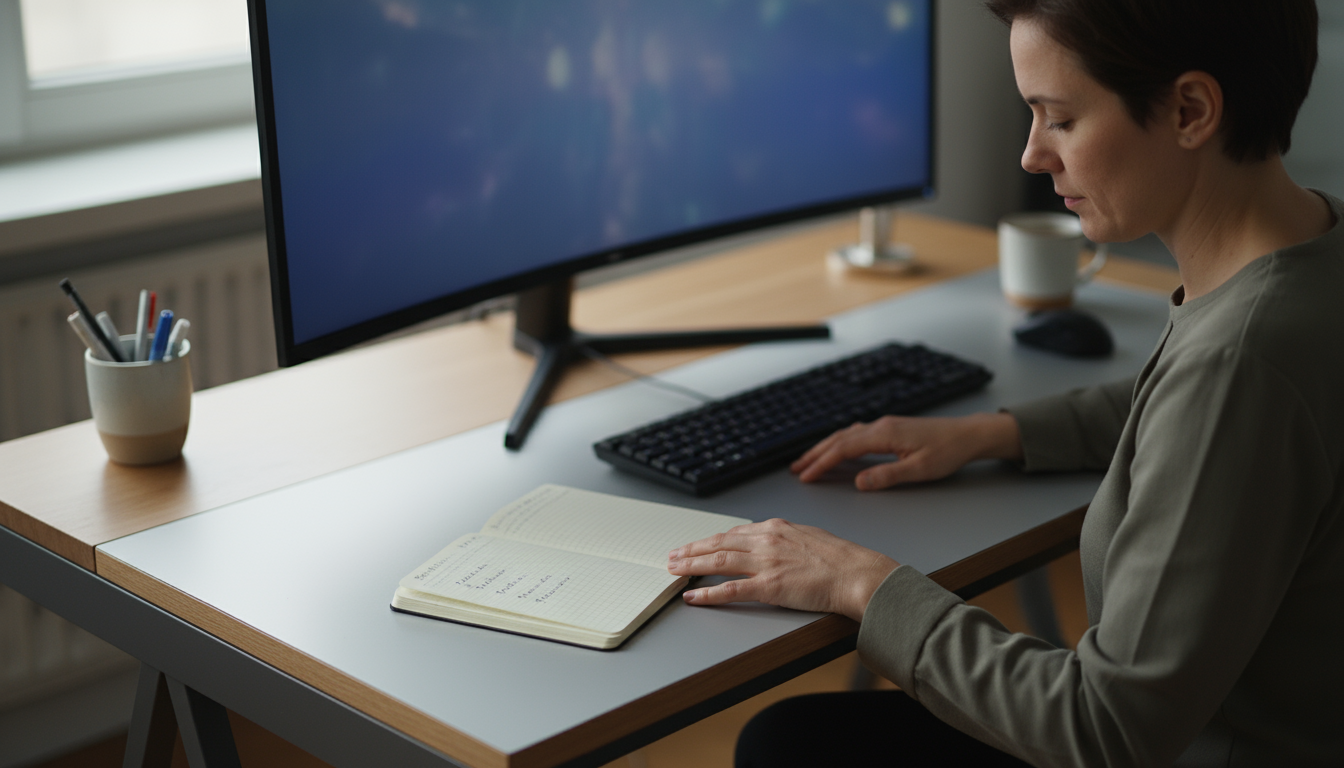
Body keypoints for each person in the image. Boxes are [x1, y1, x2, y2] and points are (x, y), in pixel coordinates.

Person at [666, 0, 1344, 765]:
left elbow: (1105, 728)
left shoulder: (1242, 363)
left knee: (786, 744)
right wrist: (994, 432)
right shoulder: (1313, 250)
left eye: (1058, 118)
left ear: (1190, 109)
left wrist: (860, 582)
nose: (1031, 155)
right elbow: (1191, 413)